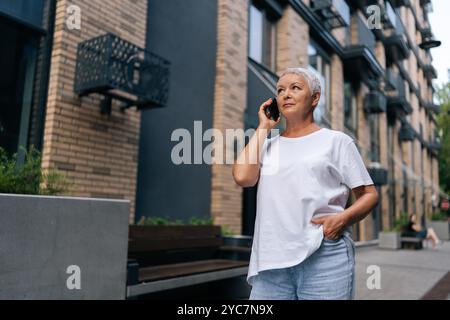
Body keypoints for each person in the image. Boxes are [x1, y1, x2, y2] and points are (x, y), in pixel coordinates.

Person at [232, 67, 379, 300]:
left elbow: (369, 194)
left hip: (324, 255)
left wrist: (342, 219)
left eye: (295, 88)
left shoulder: (336, 142)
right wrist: (263, 128)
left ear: (315, 98)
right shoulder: (267, 145)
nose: (285, 94)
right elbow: (242, 177)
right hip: (271, 262)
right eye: (280, 90)